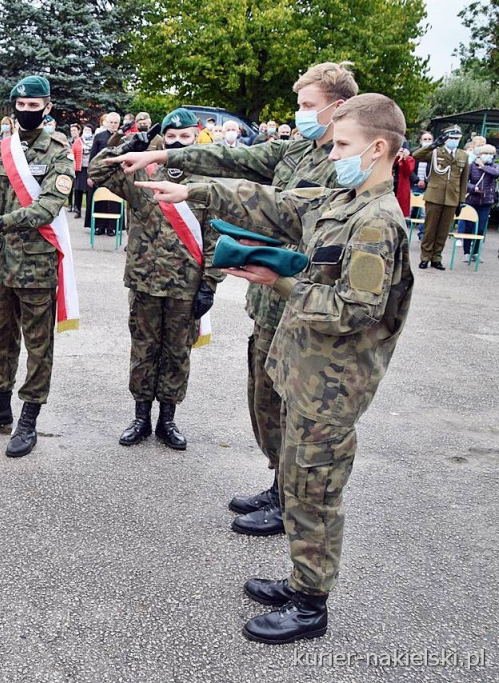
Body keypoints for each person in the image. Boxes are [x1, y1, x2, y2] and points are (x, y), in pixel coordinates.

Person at [141, 92, 414, 646]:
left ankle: (312, 604)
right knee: (294, 480)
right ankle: (299, 580)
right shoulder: (343, 199)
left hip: (332, 387)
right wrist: (193, 188)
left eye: (342, 144)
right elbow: (273, 204)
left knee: (314, 491)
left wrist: (283, 283)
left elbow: (355, 310)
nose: (332, 153)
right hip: (306, 373)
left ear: (378, 147)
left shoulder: (377, 223)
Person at [107, 61, 359, 538]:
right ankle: (278, 484)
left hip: (305, 299)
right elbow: (234, 159)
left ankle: (291, 502)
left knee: (292, 407)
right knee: (263, 398)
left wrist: (193, 189)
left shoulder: (346, 164)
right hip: (270, 297)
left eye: (308, 106)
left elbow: (272, 205)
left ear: (338, 107)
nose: (300, 113)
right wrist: (165, 158)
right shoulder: (298, 148)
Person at [90, 107, 222, 449]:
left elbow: (217, 235)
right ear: (163, 138)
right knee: (144, 350)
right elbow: (97, 170)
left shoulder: (209, 180)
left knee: (178, 352)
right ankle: (140, 418)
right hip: (145, 280)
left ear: (197, 137)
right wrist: (132, 141)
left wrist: (210, 282)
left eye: (185, 137)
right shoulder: (141, 173)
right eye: (172, 137)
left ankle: (168, 420)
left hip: (185, 283)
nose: (178, 143)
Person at [0, 75, 75, 458]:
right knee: (2, 339)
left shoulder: (59, 150)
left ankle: (29, 419)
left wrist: (3, 223)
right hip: (3, 262)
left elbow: (47, 207)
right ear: (14, 108)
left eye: (34, 106)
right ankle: (0, 406)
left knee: (38, 345)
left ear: (47, 107)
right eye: (21, 107)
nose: (27, 112)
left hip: (38, 265)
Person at [411, 125, 470, 269]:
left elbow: (464, 179)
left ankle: (437, 257)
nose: (454, 141)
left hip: (452, 197)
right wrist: (433, 145)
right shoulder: (436, 152)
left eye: (457, 138)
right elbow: (415, 155)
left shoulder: (463, 155)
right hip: (434, 196)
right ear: (445, 139)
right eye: (451, 138)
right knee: (430, 229)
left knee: (443, 231)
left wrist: (461, 200)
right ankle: (425, 257)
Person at [461, 143, 497, 262]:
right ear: (479, 154)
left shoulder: (494, 166)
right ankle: (466, 252)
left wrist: (483, 167)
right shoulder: (471, 166)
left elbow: (496, 174)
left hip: (486, 202)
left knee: (481, 229)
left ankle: (475, 252)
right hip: (472, 200)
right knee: (469, 227)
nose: (488, 156)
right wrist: (474, 189)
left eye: (491, 154)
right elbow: (464, 182)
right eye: (485, 153)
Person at [86, 111, 121, 232]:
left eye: (115, 123)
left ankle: (112, 227)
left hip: (116, 173)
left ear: (119, 124)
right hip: (100, 173)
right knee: (100, 200)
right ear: (106, 123)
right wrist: (90, 175)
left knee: (113, 199)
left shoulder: (123, 138)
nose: (113, 125)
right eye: (111, 122)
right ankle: (99, 226)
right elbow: (92, 157)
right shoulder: (99, 137)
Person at [392, 141, 415, 217]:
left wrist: (404, 159)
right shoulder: (390, 158)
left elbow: (407, 172)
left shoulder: (410, 159)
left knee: (400, 213)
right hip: (390, 186)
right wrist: (396, 157)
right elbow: (389, 166)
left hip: (401, 189)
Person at [70, 122, 87, 218]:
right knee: (77, 190)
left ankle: (88, 211)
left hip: (88, 169)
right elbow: (72, 154)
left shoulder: (91, 141)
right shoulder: (77, 142)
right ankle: (77, 210)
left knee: (88, 191)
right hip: (79, 168)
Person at [413, 131, 432, 196]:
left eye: (429, 139)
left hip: (430, 187)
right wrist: (417, 180)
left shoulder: (436, 153)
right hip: (414, 185)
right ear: (420, 141)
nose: (427, 141)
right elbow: (409, 169)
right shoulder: (414, 152)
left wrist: (426, 182)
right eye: (425, 139)